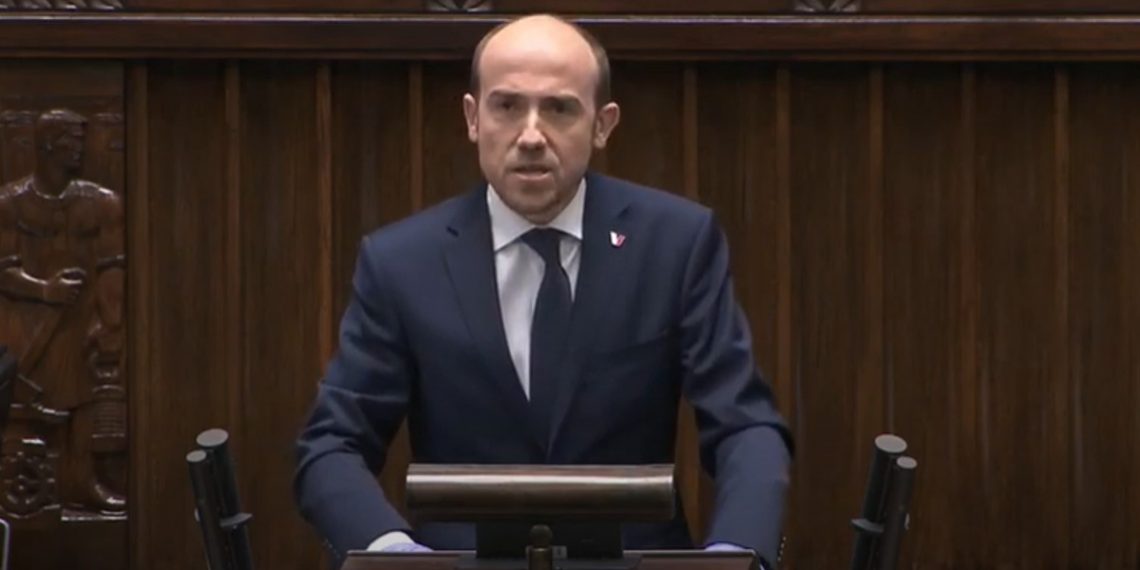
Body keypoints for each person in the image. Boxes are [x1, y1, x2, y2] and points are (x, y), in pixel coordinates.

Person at [293, 13, 792, 569]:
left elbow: (745, 425)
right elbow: (332, 446)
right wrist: (395, 553)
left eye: (558, 109)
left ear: (602, 125)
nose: (531, 136)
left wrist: (736, 553)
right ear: (473, 118)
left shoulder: (675, 244)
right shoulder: (402, 263)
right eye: (507, 106)